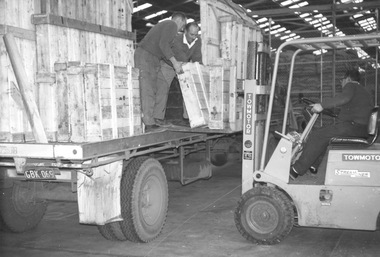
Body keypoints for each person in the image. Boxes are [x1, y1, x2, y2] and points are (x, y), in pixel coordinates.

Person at [290, 68, 374, 179]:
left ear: (348, 79)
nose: (341, 82)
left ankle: (296, 170)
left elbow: (343, 98)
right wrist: (324, 107)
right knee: (324, 133)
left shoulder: (351, 86)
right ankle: (313, 166)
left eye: (342, 80)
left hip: (352, 127)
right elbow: (351, 108)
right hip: (360, 128)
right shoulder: (363, 91)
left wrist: (322, 105)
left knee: (317, 135)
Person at [134, 12, 187, 132]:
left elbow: (164, 53)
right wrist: (175, 63)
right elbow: (164, 45)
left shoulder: (164, 27)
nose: (181, 29)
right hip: (146, 56)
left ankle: (154, 119)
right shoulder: (171, 25)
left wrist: (176, 66)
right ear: (181, 21)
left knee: (156, 87)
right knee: (148, 89)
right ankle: (149, 123)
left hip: (153, 58)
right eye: (183, 26)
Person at [160, 22, 202, 124]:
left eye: (196, 34)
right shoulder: (177, 39)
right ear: (185, 32)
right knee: (163, 88)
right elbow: (180, 57)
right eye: (192, 34)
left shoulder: (197, 40)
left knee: (189, 88)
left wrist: (200, 69)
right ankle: (158, 118)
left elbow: (197, 57)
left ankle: (187, 118)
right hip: (169, 64)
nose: (194, 37)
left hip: (183, 64)